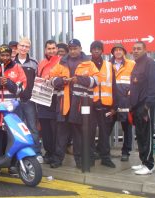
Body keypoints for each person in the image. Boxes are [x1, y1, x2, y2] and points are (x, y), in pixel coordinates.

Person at [49, 39, 99, 169]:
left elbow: (96, 81)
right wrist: (61, 81)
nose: (72, 51)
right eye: (70, 48)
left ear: (80, 48)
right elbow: (50, 79)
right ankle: (57, 160)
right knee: (61, 134)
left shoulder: (89, 63)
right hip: (63, 104)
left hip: (80, 105)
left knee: (78, 135)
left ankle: (80, 161)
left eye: (75, 48)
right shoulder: (61, 62)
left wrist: (80, 79)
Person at [0, 44, 27, 175]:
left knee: (12, 136)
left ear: (11, 55)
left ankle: (12, 165)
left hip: (12, 110)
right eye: (2, 55)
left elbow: (21, 88)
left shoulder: (17, 68)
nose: (5, 57)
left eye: (7, 55)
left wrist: (8, 83)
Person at [130, 41, 155, 175]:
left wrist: (147, 106)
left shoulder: (150, 63)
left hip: (145, 106)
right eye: (134, 49)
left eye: (138, 48)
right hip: (137, 106)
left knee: (146, 136)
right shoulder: (136, 64)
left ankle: (149, 164)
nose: (135, 51)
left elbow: (154, 87)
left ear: (145, 49)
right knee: (140, 135)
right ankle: (143, 161)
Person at [14, 37, 42, 162]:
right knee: (16, 128)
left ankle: (36, 153)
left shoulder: (34, 63)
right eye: (22, 45)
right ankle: (17, 153)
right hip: (14, 101)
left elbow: (38, 82)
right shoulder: (11, 62)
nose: (24, 48)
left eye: (26, 46)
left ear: (29, 48)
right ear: (18, 47)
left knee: (32, 127)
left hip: (29, 101)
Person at [91, 41, 117, 168]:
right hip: (90, 104)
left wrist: (114, 106)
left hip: (105, 104)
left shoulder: (108, 65)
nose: (96, 51)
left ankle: (105, 158)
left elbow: (113, 85)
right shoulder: (86, 65)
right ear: (91, 51)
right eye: (94, 49)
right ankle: (90, 156)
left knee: (105, 132)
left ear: (102, 51)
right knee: (89, 132)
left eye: (98, 49)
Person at [110, 44, 135, 162]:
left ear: (124, 52)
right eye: (116, 50)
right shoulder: (108, 65)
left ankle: (126, 152)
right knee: (107, 127)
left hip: (125, 101)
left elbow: (136, 80)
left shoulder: (132, 64)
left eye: (120, 50)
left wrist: (131, 92)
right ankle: (102, 151)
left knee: (127, 128)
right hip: (111, 102)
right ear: (113, 53)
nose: (118, 52)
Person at [37, 40, 60, 164]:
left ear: (56, 49)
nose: (51, 51)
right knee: (45, 128)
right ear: (45, 50)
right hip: (42, 98)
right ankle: (48, 153)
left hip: (56, 99)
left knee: (55, 128)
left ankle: (56, 154)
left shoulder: (61, 61)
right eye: (49, 49)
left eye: (53, 48)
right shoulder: (41, 63)